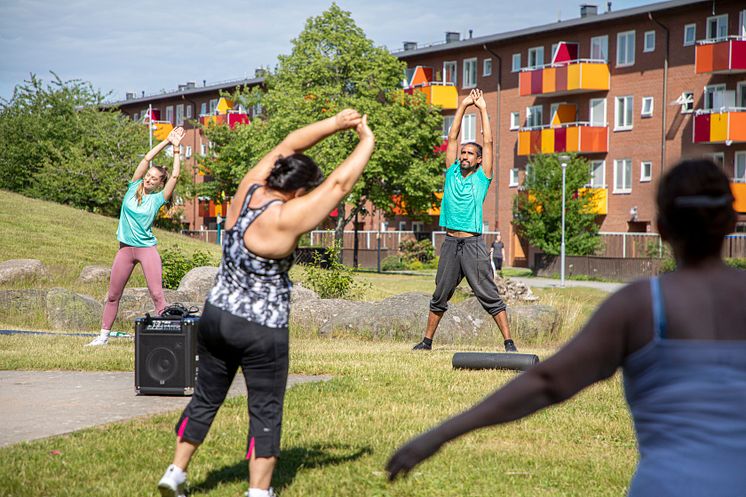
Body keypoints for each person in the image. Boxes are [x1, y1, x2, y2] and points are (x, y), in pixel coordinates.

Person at [388, 159, 746, 496]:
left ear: (662, 228)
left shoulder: (638, 306)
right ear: (732, 222)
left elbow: (548, 382)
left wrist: (440, 434)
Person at [157, 110, 375, 497]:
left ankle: (175, 472)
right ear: (298, 190)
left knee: (206, 396)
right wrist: (366, 140)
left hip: (216, 317)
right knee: (265, 410)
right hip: (261, 329)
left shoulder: (249, 190)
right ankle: (258, 493)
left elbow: (290, 142)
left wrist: (335, 124)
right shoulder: (286, 218)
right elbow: (340, 185)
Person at [412, 89, 516, 352]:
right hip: (450, 243)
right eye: (463, 153)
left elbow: (489, 142)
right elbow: (452, 137)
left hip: (473, 245)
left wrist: (481, 109)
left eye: (470, 154)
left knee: (488, 294)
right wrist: (462, 105)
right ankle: (426, 342)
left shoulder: (483, 178)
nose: (465, 156)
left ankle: (509, 342)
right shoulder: (451, 174)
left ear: (479, 160)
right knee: (440, 294)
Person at [86, 127, 186, 346]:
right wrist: (167, 141)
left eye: (154, 179)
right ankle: (103, 337)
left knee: (157, 294)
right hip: (125, 249)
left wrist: (177, 150)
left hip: (146, 249)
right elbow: (147, 157)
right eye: (148, 176)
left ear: (160, 183)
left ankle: (170, 338)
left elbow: (176, 175)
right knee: (113, 295)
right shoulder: (133, 188)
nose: (149, 179)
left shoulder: (158, 199)